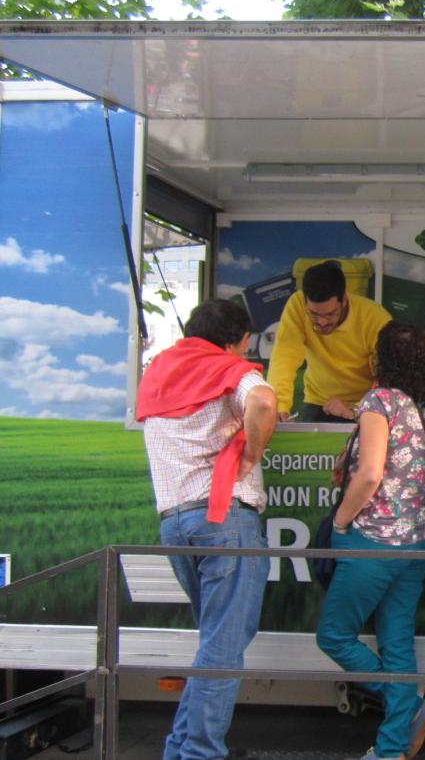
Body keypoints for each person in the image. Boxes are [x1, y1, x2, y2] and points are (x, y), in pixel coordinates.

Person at [136, 299, 277, 760]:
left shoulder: (158, 371)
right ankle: (199, 753)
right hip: (223, 520)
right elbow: (263, 400)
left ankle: (179, 748)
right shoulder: (229, 369)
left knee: (216, 642)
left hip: (176, 525)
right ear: (234, 341)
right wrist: (253, 452)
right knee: (223, 648)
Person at [316, 322, 425, 760]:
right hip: (416, 543)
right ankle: (392, 748)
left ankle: (409, 705)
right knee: (397, 644)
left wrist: (341, 522)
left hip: (371, 542)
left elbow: (371, 473)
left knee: (334, 637)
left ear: (382, 360)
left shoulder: (380, 402)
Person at [267, 259, 392, 423]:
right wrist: (279, 406)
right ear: (304, 301)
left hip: (365, 405)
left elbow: (388, 376)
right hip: (318, 401)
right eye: (314, 314)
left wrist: (355, 409)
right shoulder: (296, 305)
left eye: (330, 314)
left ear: (345, 300)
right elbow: (284, 357)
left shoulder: (375, 318)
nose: (322, 322)